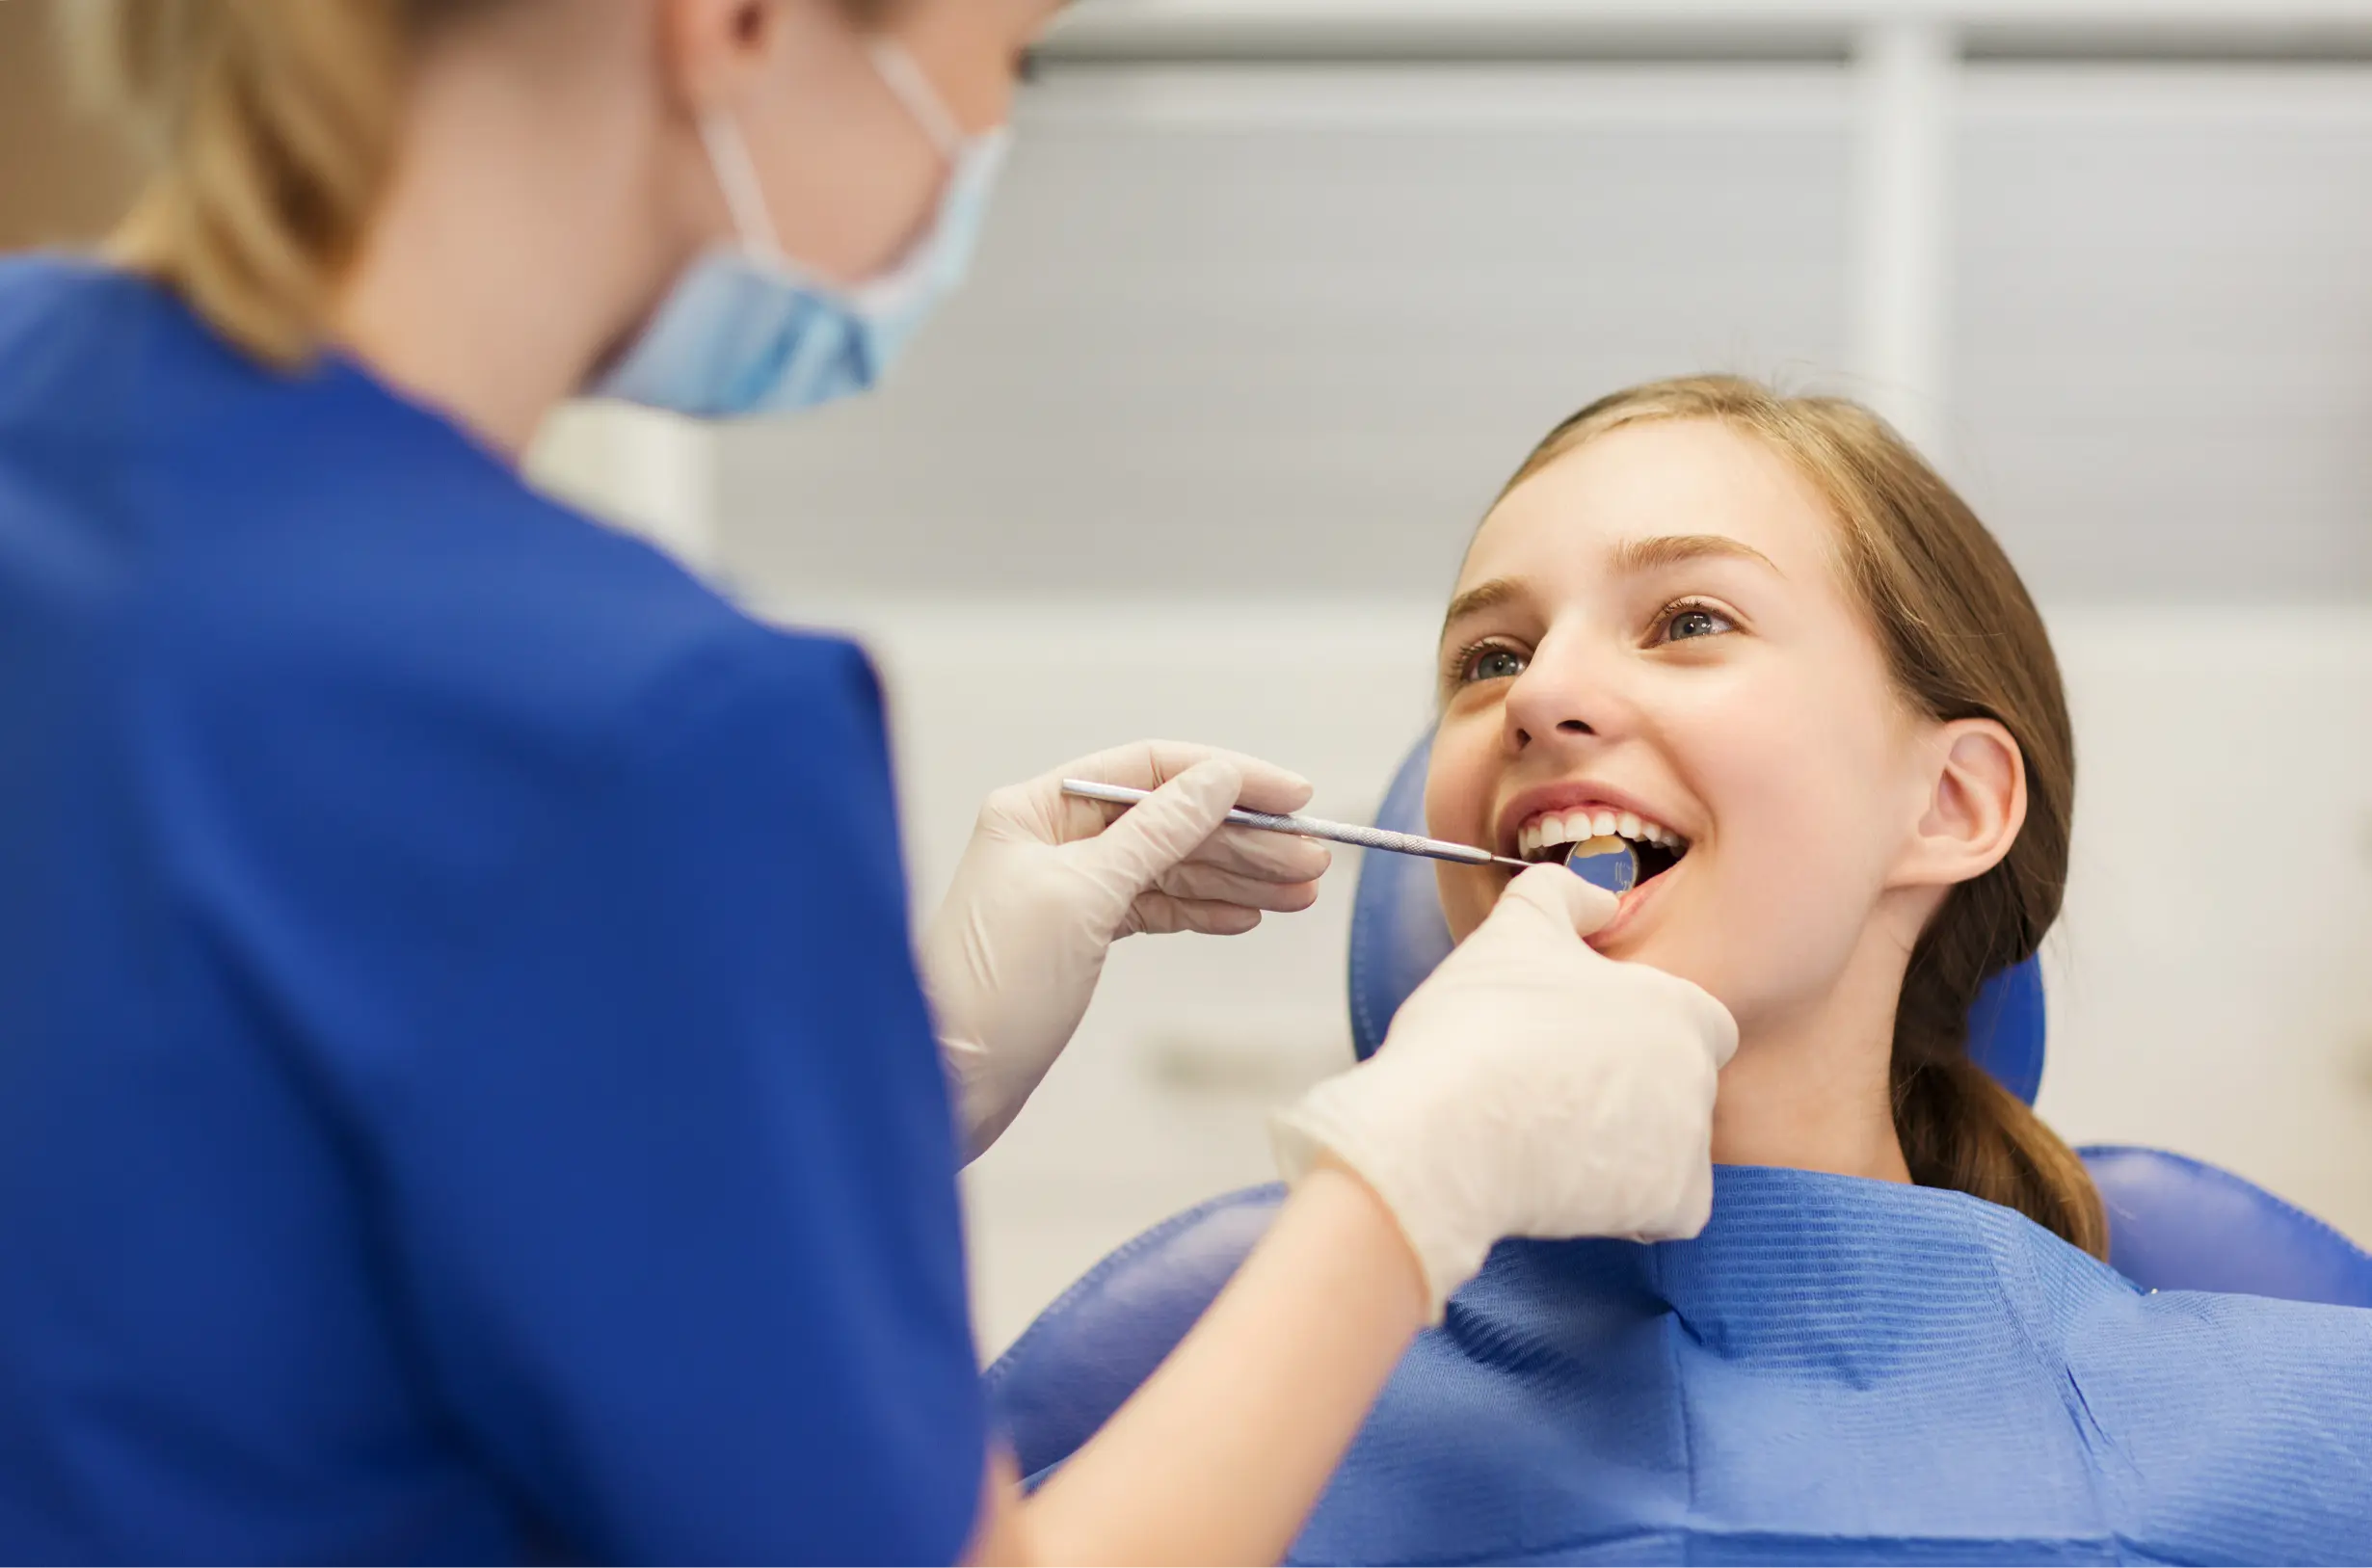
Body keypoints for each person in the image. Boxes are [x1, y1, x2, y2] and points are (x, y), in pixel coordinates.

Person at [0, 5, 1746, 1567]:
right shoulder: (643, 725)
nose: (986, 141)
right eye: (1011, 57)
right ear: (736, 26)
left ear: (1961, 798)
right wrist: (1410, 1179)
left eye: (1688, 619)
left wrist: (882, 1070)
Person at [995, 377, 2372, 1563]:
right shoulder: (1162, 1453)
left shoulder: (2308, 1433)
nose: (1537, 696)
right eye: (1491, 656)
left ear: (1949, 803)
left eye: (1689, 619)